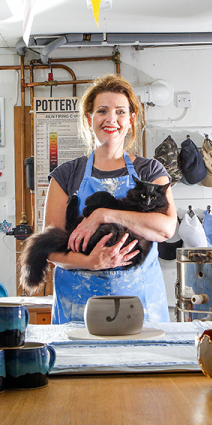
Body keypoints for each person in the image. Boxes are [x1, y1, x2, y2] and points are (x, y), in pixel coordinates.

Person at [42, 74, 177, 323]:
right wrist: (90, 262)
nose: (111, 119)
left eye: (120, 112)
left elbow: (166, 228)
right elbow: (50, 249)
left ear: (131, 120)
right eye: (102, 111)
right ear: (89, 119)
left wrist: (103, 214)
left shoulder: (150, 171)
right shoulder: (66, 175)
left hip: (141, 311)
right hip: (78, 312)